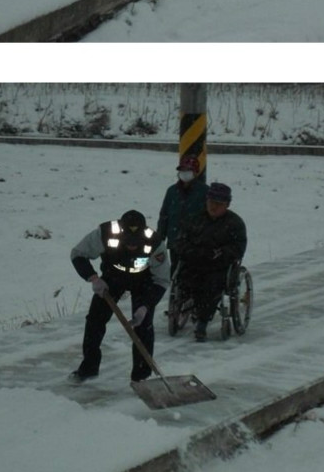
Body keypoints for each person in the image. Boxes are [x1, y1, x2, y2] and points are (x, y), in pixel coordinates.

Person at [71, 209, 170, 382]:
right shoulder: (105, 234)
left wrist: (146, 305)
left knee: (143, 326)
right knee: (95, 320)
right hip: (112, 278)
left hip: (143, 281)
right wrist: (93, 278)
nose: (132, 246)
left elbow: (161, 280)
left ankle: (141, 376)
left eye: (135, 243)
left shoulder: (154, 242)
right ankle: (89, 367)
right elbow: (78, 254)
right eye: (128, 242)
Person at [174, 182, 247, 340]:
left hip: (218, 266)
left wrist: (220, 253)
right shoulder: (194, 219)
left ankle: (202, 321)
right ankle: (186, 307)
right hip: (194, 262)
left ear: (226, 205)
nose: (213, 207)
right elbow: (180, 241)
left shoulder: (235, 223)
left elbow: (238, 248)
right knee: (184, 280)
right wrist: (190, 251)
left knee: (211, 287)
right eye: (211, 202)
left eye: (218, 204)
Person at [156, 153, 208, 271]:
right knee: (176, 269)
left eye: (188, 170)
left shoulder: (204, 192)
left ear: (195, 172)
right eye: (182, 170)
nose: (184, 173)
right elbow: (164, 215)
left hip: (196, 242)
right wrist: (160, 238)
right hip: (175, 240)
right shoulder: (172, 191)